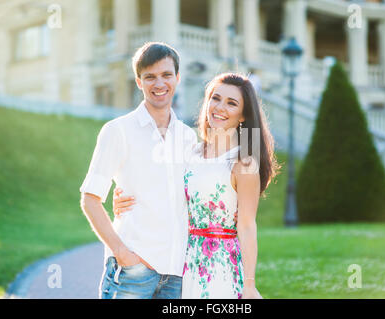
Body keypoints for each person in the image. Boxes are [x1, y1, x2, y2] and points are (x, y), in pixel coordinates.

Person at [114, 73, 279, 299]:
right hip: (183, 261)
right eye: (216, 98)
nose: (220, 107)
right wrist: (123, 198)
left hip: (221, 266)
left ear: (243, 116)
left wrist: (249, 285)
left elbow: (248, 226)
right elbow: (163, 191)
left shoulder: (244, 162)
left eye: (232, 103)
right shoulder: (190, 151)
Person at [80, 42, 198, 299]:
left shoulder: (188, 137)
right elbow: (90, 199)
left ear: (177, 78)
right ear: (138, 82)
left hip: (177, 273)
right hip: (134, 271)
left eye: (166, 75)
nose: (159, 84)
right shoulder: (118, 130)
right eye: (150, 77)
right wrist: (122, 253)